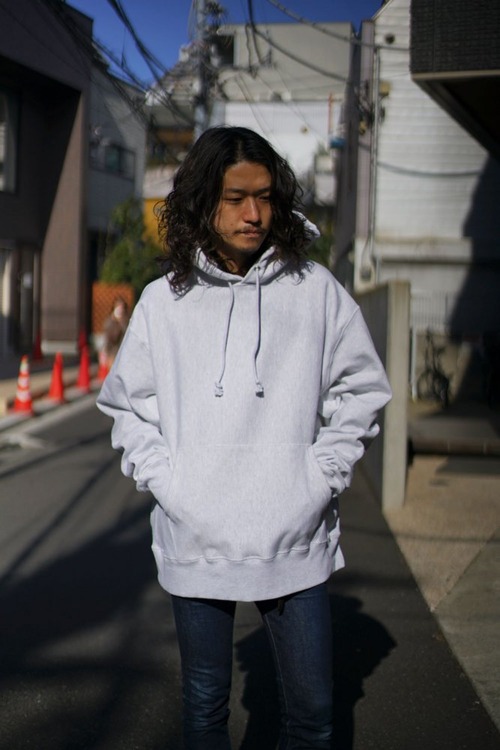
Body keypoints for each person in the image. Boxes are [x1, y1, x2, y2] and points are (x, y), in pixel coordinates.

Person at [96, 126, 391, 749]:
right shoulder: (164, 301)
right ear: (205, 200)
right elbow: (127, 406)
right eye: (235, 198)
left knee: (312, 714)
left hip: (296, 534)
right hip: (196, 536)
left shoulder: (315, 291)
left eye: (264, 196)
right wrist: (172, 485)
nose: (253, 213)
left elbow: (364, 388)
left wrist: (320, 477)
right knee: (205, 708)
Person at [101, 296, 130, 369]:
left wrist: (122, 322)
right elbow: (111, 337)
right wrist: (116, 322)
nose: (120, 309)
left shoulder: (127, 321)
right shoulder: (110, 321)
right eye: (118, 306)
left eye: (121, 307)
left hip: (124, 353)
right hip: (112, 353)